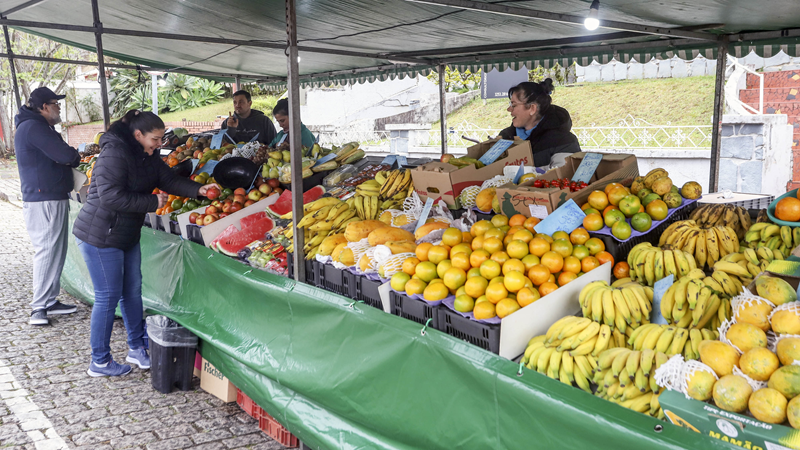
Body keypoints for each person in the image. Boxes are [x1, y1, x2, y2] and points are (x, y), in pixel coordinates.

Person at [72, 110, 219, 377]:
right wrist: (152, 203)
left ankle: (136, 348)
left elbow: (168, 179)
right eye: (155, 138)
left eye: (161, 138)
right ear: (138, 135)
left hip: (126, 233)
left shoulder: (147, 155)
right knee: (107, 297)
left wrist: (198, 190)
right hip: (100, 234)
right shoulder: (115, 154)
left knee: (132, 291)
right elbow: (109, 197)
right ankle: (100, 360)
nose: (159, 144)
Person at [15, 87, 81, 326]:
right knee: (46, 250)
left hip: (51, 195)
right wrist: (74, 155)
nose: (59, 107)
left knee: (56, 250)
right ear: (43, 107)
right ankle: (38, 308)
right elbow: (65, 155)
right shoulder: (34, 127)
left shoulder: (39, 127)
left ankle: (50, 300)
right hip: (44, 199)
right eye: (55, 103)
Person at [498, 78, 581, 168]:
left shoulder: (564, 141)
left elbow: (565, 175)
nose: (509, 109)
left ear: (532, 108)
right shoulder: (505, 137)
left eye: (513, 105)